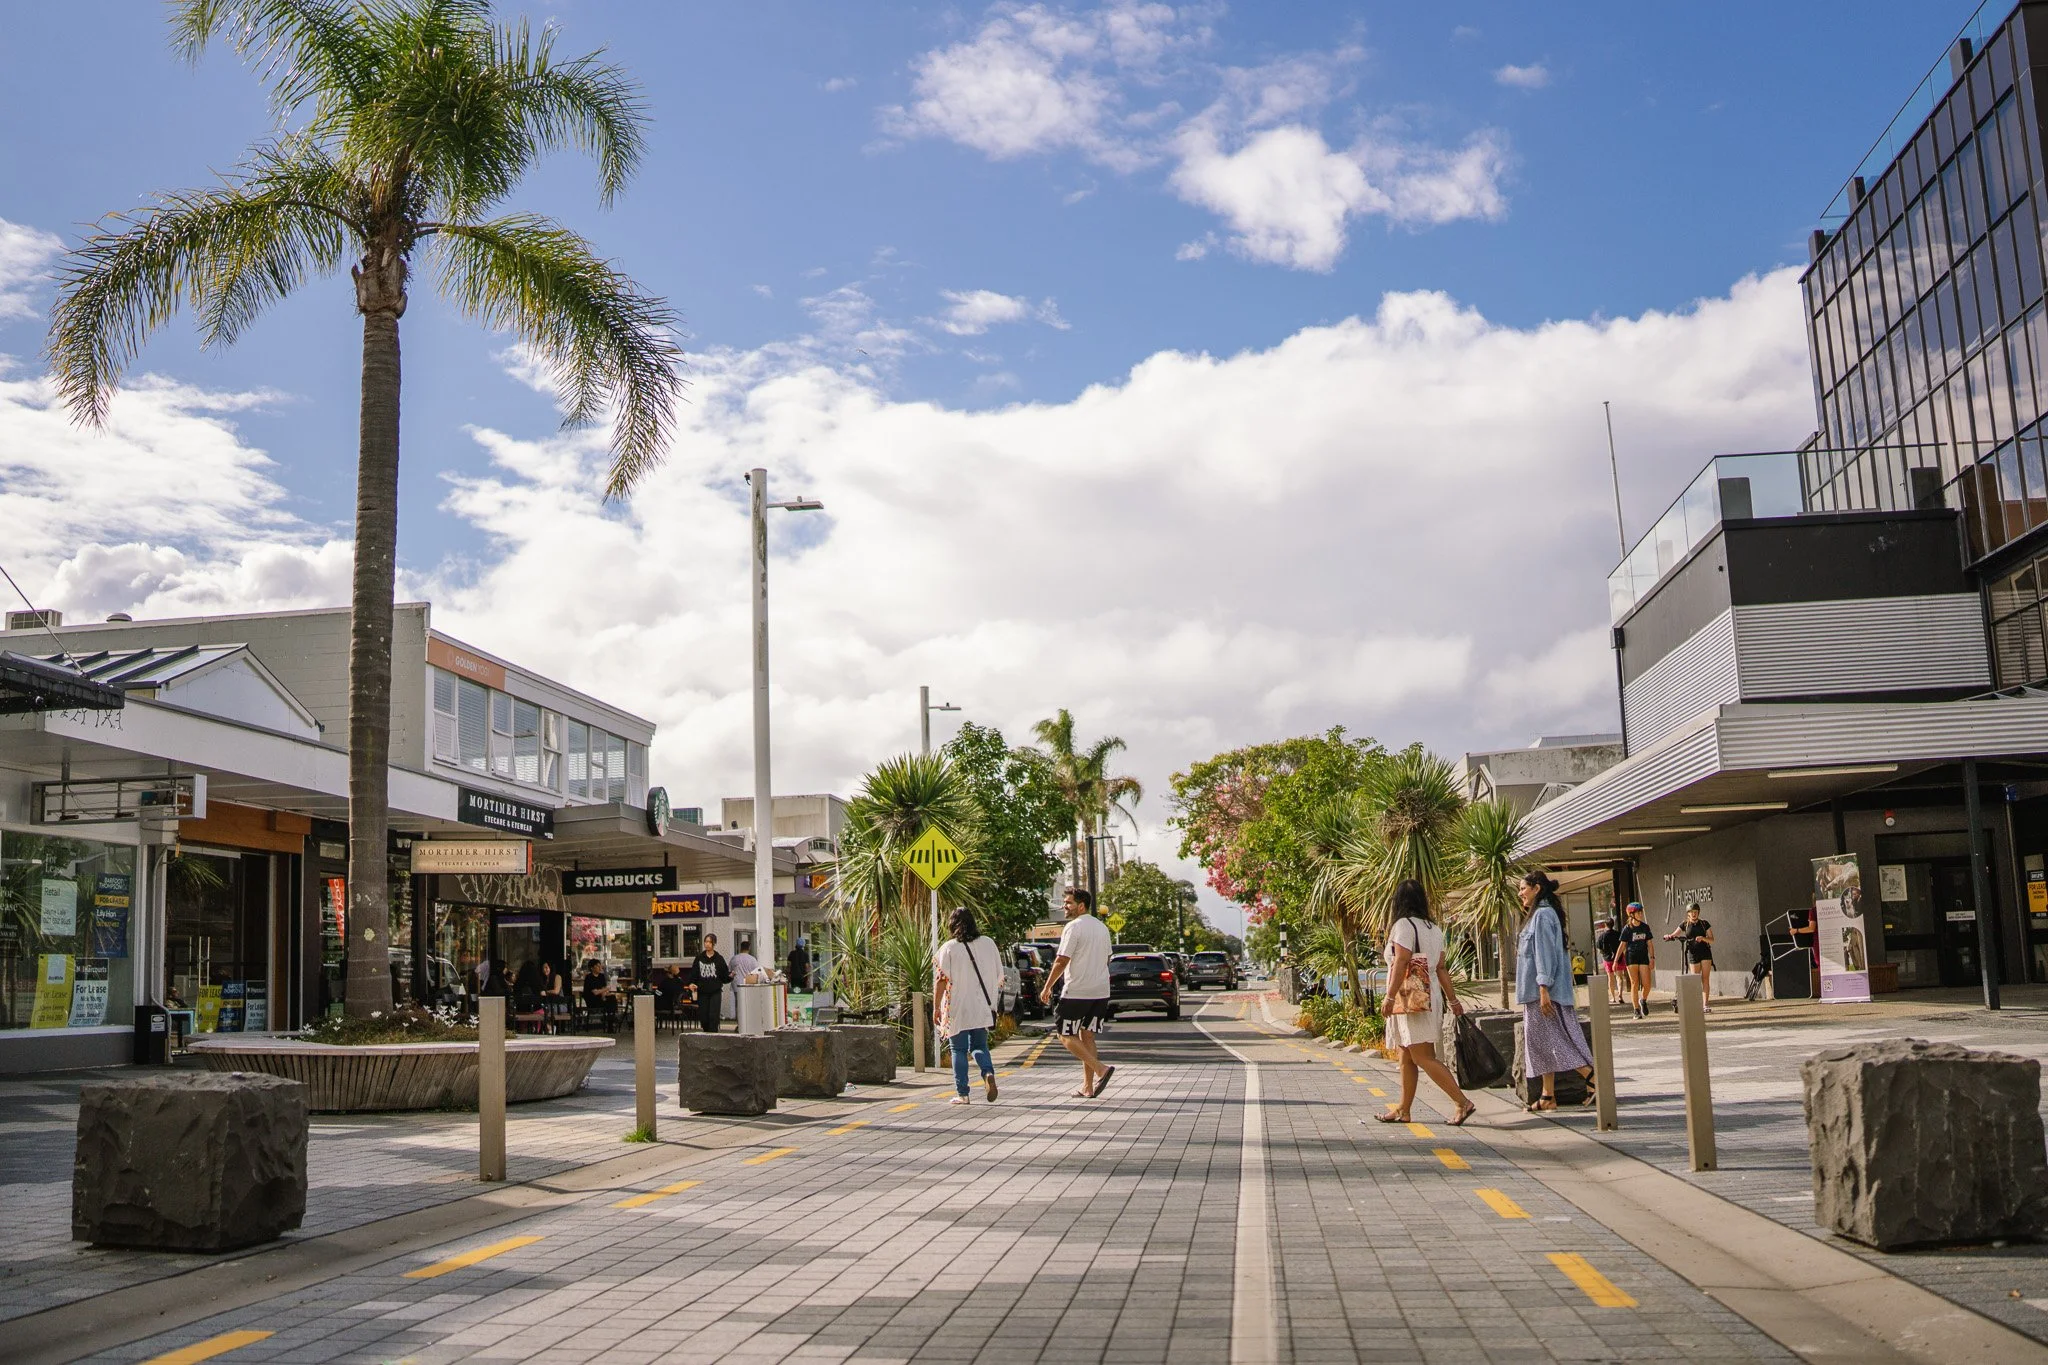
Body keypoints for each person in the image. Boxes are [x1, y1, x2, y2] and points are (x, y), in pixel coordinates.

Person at [1369, 878, 1475, 1127]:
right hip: (1430, 996)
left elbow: (1401, 961)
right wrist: (1453, 999)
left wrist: (1389, 996)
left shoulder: (1402, 926)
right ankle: (1403, 1109)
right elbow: (1441, 968)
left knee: (1423, 1055)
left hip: (1411, 998)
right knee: (1406, 1054)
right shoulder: (1433, 929)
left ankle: (1462, 1102)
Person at [1518, 871, 1597, 1112]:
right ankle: (1547, 1096)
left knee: (1554, 1042)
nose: (1520, 893)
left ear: (1537, 889)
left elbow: (1544, 955)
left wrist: (1543, 989)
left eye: (1523, 888)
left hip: (1542, 992)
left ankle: (1593, 1078)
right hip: (1543, 991)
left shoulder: (1541, 916)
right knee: (1542, 1044)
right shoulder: (1544, 914)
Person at [1039, 888, 1114, 1098]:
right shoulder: (1102, 928)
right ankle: (1088, 1087)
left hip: (1077, 991)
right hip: (1100, 991)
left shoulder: (1073, 927)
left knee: (1064, 1035)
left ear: (1081, 906)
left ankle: (1101, 1069)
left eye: (1069, 903)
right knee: (1087, 1035)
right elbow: (1108, 958)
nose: (1065, 906)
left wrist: (1047, 987)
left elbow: (1062, 960)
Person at [934, 906, 1004, 1106]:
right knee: (980, 1046)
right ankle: (988, 1072)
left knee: (958, 1049)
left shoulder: (948, 948)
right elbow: (999, 976)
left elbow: (941, 980)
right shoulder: (989, 944)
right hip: (982, 1005)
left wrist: (936, 1007)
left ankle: (963, 1094)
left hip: (958, 1006)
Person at [1664, 902, 1715, 1012]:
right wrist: (1669, 936)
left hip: (1705, 953)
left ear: (1698, 913)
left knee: (1705, 979)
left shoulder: (1704, 923)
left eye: (1695, 912)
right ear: (1688, 914)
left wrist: (1703, 938)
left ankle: (1705, 1005)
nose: (1694, 914)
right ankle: (1696, 1004)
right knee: (1695, 979)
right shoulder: (1685, 924)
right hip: (1693, 953)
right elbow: (1675, 934)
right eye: (1691, 912)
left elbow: (1712, 939)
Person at [1617, 902, 1656, 1018]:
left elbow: (1650, 944)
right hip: (1631, 957)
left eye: (1641, 912)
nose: (1641, 914)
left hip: (1643, 957)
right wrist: (1616, 960)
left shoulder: (1645, 927)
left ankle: (1643, 1000)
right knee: (1634, 983)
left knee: (1647, 984)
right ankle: (1636, 1010)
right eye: (1638, 912)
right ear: (1632, 914)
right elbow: (1622, 945)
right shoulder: (1627, 928)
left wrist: (1652, 958)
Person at [691, 933, 732, 1032]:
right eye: (706, 942)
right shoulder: (699, 958)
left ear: (714, 943)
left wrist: (730, 977)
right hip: (702, 991)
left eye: (709, 942)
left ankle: (713, 1035)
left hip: (715, 991)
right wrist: (691, 983)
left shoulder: (719, 959)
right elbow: (694, 973)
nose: (707, 944)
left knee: (713, 1015)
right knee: (704, 1016)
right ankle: (706, 1032)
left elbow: (724, 975)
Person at [1595, 914, 1625, 1006]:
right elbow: (1623, 945)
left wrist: (1604, 953)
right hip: (1618, 957)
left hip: (1607, 959)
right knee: (1619, 977)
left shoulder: (1602, 936)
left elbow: (1599, 947)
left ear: (1605, 925)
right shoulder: (1618, 934)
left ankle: (1613, 997)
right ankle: (1620, 995)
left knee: (1610, 978)